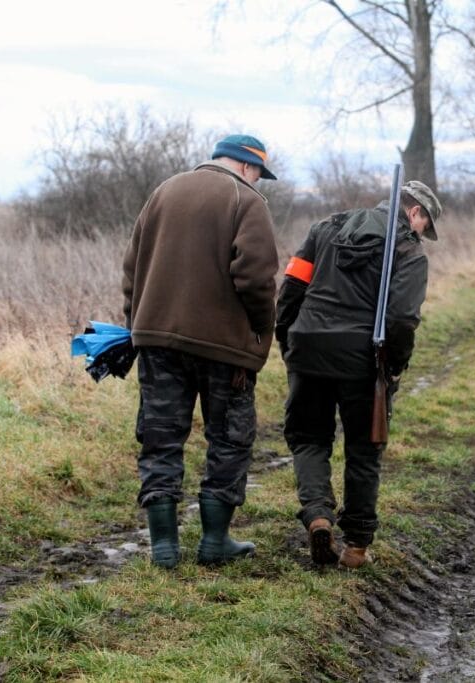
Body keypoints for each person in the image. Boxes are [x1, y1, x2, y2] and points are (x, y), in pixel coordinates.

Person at [122, 134, 280, 568]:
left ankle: (164, 548)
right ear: (249, 168)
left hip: (156, 340)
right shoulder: (247, 202)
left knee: (160, 439)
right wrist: (261, 328)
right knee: (229, 438)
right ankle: (214, 541)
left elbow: (132, 269)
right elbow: (256, 279)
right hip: (224, 348)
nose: (258, 181)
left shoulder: (163, 192)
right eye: (258, 174)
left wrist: (137, 322)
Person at [275, 180, 442, 569]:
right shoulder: (408, 252)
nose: (422, 234)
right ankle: (356, 548)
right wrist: (394, 366)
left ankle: (318, 515)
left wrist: (289, 339)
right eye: (425, 225)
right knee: (364, 451)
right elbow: (401, 319)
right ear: (415, 212)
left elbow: (291, 288)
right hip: (363, 361)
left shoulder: (325, 228)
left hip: (309, 348)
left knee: (308, 438)